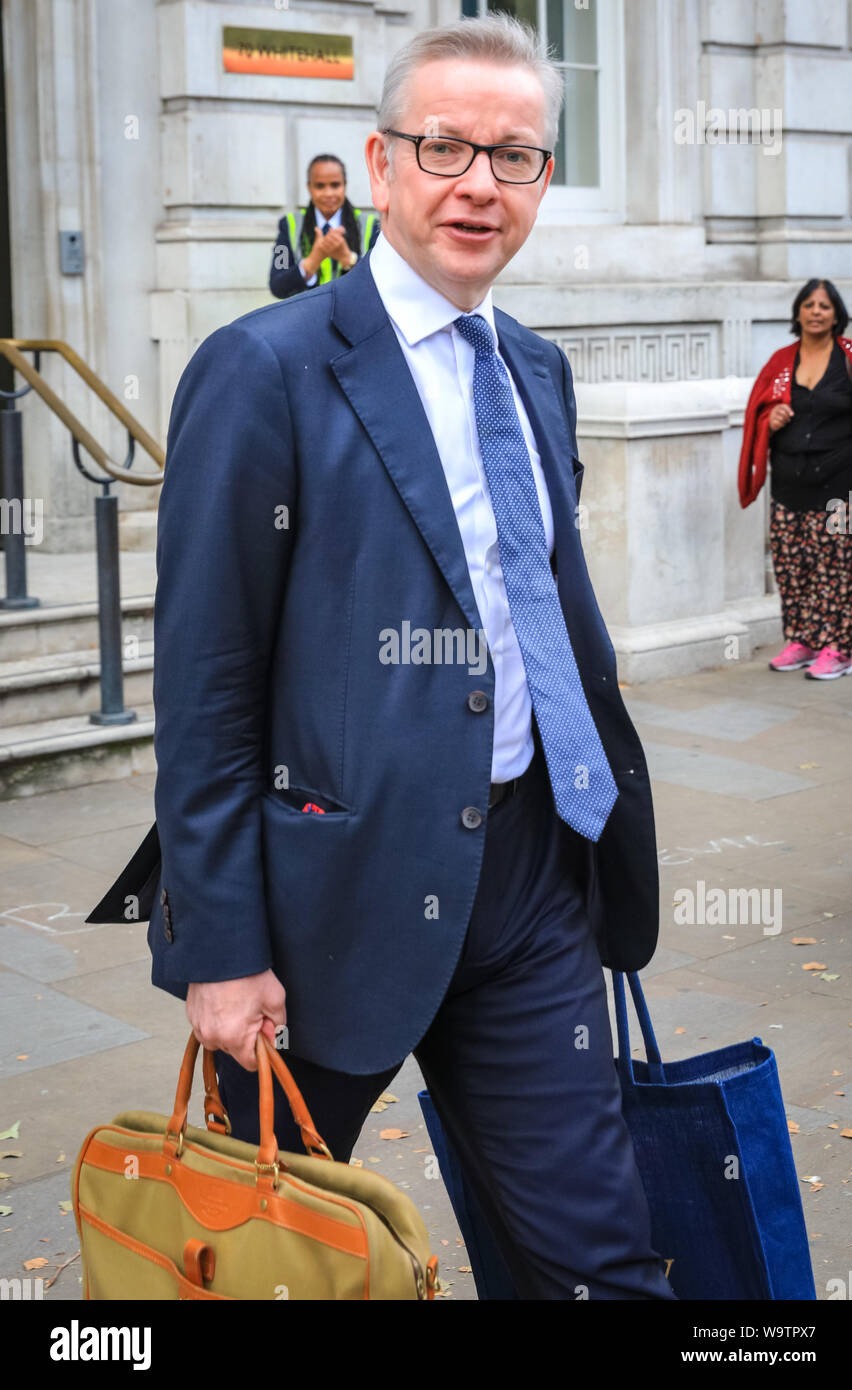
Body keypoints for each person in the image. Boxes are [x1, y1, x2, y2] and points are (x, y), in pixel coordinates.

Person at [90, 14, 675, 1301]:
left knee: (593, 1255)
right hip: (322, 904)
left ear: (539, 179)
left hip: (530, 878)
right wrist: (225, 947)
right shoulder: (266, 368)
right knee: (255, 1265)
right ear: (380, 159)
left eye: (514, 156)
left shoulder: (534, 367)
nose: (479, 182)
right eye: (445, 146)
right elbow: (206, 685)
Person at [738, 278, 852, 679]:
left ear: (836, 314)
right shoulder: (780, 362)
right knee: (793, 565)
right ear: (797, 312)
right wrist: (769, 420)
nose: (815, 312)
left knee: (843, 568)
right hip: (789, 485)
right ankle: (803, 640)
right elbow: (759, 412)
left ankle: (840, 649)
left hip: (844, 486)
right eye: (808, 304)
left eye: (824, 306)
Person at [269, 153, 379, 299]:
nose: (328, 193)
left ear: (344, 185)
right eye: (320, 186)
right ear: (309, 187)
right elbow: (277, 285)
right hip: (307, 318)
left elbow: (381, 282)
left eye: (335, 185)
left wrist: (349, 259)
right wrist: (311, 262)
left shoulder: (371, 225)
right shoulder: (289, 225)